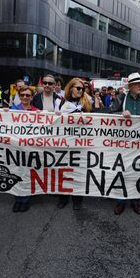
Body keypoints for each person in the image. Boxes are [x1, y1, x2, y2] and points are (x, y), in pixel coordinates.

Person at [110, 72, 140, 215]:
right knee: (122, 172)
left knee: (139, 172)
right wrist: (120, 114)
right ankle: (121, 200)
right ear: (130, 86)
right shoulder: (120, 98)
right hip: (123, 143)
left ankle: (136, 200)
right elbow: (109, 115)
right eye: (137, 83)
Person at [54, 78, 94, 210]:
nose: (81, 91)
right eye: (78, 88)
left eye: (82, 89)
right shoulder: (60, 102)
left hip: (81, 144)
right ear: (70, 88)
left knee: (79, 172)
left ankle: (77, 199)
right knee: (63, 171)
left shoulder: (87, 103)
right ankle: (63, 197)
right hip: (64, 143)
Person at [11, 85, 39, 212]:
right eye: (22, 95)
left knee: (27, 174)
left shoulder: (36, 111)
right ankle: (17, 199)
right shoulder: (13, 110)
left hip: (30, 149)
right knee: (17, 173)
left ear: (31, 97)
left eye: (27, 95)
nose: (25, 97)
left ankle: (26, 199)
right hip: (16, 148)